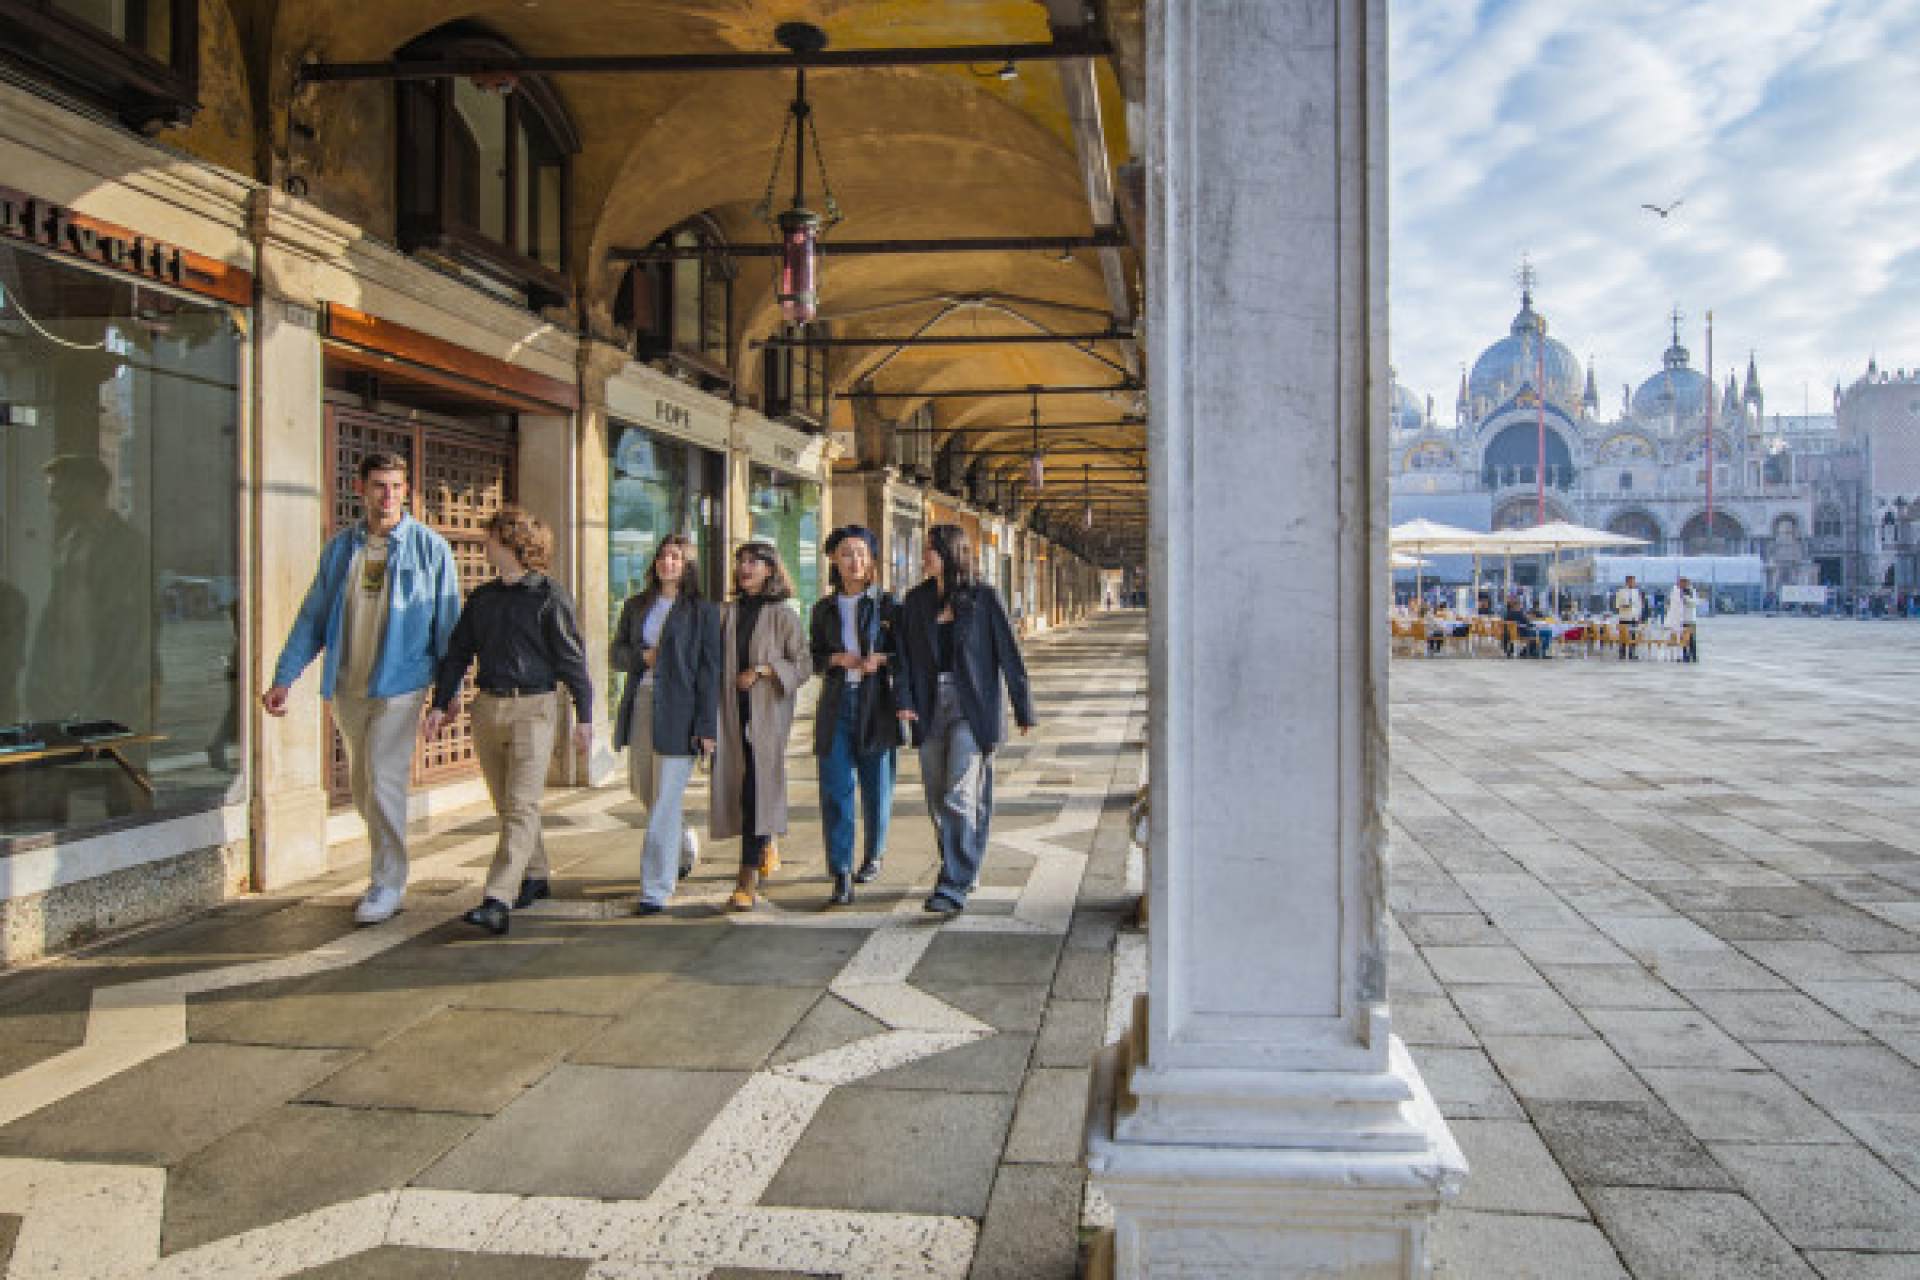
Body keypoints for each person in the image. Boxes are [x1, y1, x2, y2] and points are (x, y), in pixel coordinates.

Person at [265, 452, 460, 925]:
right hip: (348, 685)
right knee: (361, 785)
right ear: (361, 488)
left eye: (396, 486)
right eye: (379, 486)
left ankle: (387, 881)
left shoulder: (430, 549)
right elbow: (313, 614)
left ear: (406, 491)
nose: (388, 495)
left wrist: (447, 692)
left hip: (402, 684)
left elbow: (448, 623)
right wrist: (285, 675)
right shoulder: (341, 549)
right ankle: (386, 863)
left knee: (382, 777)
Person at [425, 508, 592, 935]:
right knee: (508, 806)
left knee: (521, 805)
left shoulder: (550, 597)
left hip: (534, 708)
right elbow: (458, 652)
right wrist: (442, 703)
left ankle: (498, 897)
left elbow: (572, 660)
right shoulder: (483, 598)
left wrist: (584, 717)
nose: (485, 544)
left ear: (514, 544)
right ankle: (534, 875)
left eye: (492, 538)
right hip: (488, 708)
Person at [895, 523, 1036, 916]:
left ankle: (953, 883)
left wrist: (1023, 707)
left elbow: (1010, 653)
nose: (924, 556)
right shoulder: (915, 601)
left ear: (951, 552)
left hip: (972, 706)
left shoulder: (984, 598)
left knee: (960, 793)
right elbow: (904, 658)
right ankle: (962, 863)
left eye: (930, 549)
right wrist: (903, 700)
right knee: (939, 797)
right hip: (928, 704)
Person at [611, 535, 720, 915]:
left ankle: (655, 888)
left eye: (675, 557)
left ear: (687, 564)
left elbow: (710, 672)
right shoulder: (637, 606)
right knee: (645, 791)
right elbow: (617, 654)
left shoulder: (702, 612)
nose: (667, 563)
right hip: (641, 704)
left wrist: (707, 726)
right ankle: (684, 840)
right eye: (662, 556)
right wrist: (643, 657)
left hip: (681, 709)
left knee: (663, 803)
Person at [712, 541, 810, 912]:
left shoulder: (782, 614)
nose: (745, 568)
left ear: (770, 569)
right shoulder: (727, 613)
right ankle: (766, 841)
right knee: (740, 788)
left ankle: (746, 877)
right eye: (741, 561)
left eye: (753, 562)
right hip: (731, 715)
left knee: (757, 788)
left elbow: (802, 665)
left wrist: (764, 671)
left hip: (767, 716)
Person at [809, 525, 900, 906]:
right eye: (847, 553)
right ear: (833, 560)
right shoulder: (823, 609)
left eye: (862, 553)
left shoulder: (887, 606)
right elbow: (811, 656)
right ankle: (841, 871)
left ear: (872, 560)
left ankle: (873, 854)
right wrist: (834, 659)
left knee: (876, 786)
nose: (855, 561)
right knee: (835, 790)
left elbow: (909, 653)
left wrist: (883, 660)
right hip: (835, 705)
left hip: (874, 704)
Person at [1666, 575, 1700, 662]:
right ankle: (1685, 656)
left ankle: (1694, 656)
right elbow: (1673, 603)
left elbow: (1695, 602)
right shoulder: (1676, 591)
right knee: (1682, 639)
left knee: (1691, 638)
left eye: (1682, 583)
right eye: (1679, 583)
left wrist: (1686, 599)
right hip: (1680, 619)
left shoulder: (1692, 591)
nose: (1680, 584)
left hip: (1690, 619)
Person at [1613, 574, 1645, 659]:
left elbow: (1639, 605)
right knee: (1623, 636)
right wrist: (1624, 605)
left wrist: (1639, 616)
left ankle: (1632, 653)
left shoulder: (1637, 592)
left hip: (1633, 617)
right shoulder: (1621, 592)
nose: (1632, 583)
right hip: (1624, 617)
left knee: (1633, 636)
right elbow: (1617, 604)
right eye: (1631, 581)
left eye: (1634, 581)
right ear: (1627, 582)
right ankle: (1622, 653)